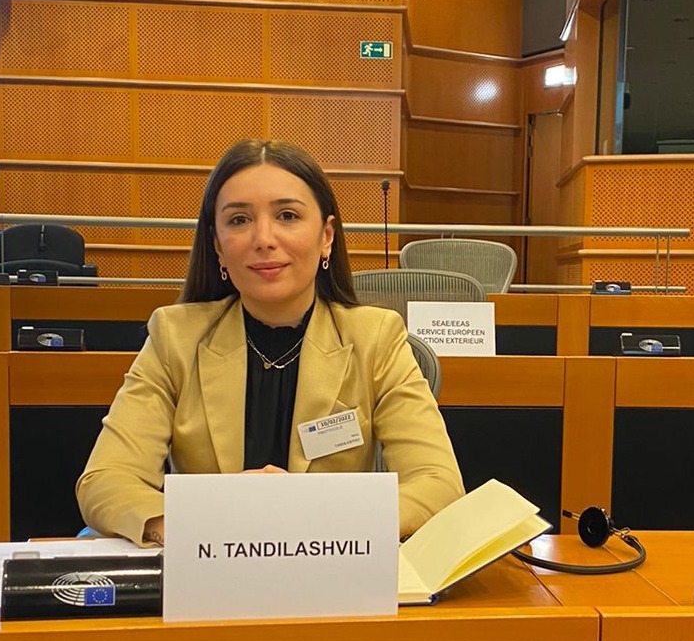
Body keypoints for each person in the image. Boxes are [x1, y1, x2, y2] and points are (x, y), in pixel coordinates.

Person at [77, 138, 465, 546]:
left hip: (332, 562)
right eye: (239, 220)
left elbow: (438, 484)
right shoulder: (175, 337)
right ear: (217, 245)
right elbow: (105, 480)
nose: (263, 238)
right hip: (212, 566)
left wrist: (304, 516)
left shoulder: (376, 338)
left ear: (326, 236)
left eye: (287, 215)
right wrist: (205, 521)